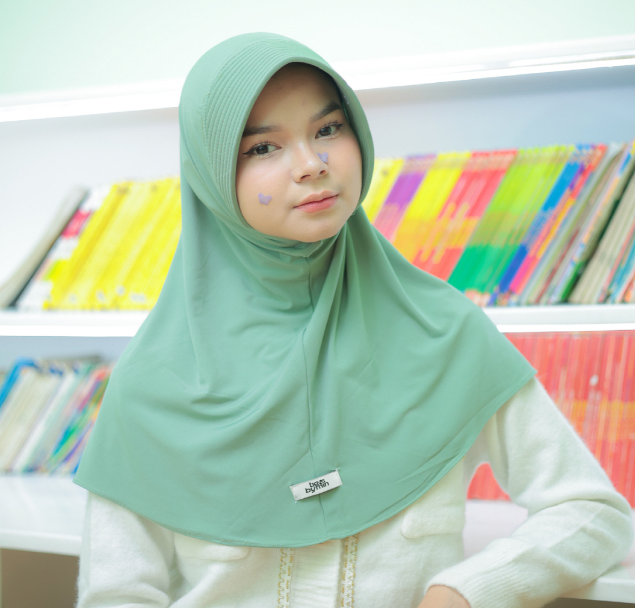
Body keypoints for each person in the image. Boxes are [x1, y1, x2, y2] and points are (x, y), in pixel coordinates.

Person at [74, 33, 633, 608]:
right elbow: (116, 594)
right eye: (263, 147)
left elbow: (593, 511)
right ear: (212, 176)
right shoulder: (153, 384)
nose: (311, 164)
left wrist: (465, 592)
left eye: (328, 129)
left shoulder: (446, 335)